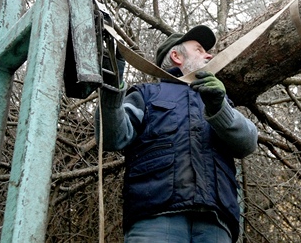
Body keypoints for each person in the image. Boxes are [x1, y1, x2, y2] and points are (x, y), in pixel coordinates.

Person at [95, 25, 258, 243]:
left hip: (216, 222)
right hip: (155, 218)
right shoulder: (146, 94)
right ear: (176, 56)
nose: (209, 55)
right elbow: (112, 137)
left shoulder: (217, 98)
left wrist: (221, 107)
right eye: (199, 49)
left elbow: (248, 144)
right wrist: (112, 84)